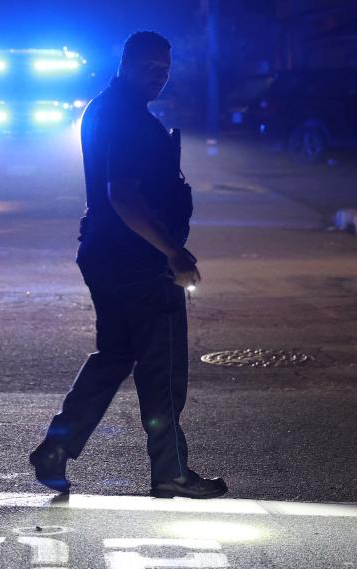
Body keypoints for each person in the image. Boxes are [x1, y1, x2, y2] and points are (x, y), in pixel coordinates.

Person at [28, 32, 227, 499]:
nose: (159, 76)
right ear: (126, 63)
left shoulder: (104, 108)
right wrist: (170, 251)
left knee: (114, 357)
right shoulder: (128, 120)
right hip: (138, 262)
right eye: (149, 67)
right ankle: (170, 471)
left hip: (105, 253)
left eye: (165, 68)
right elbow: (123, 195)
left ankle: (54, 451)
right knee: (163, 369)